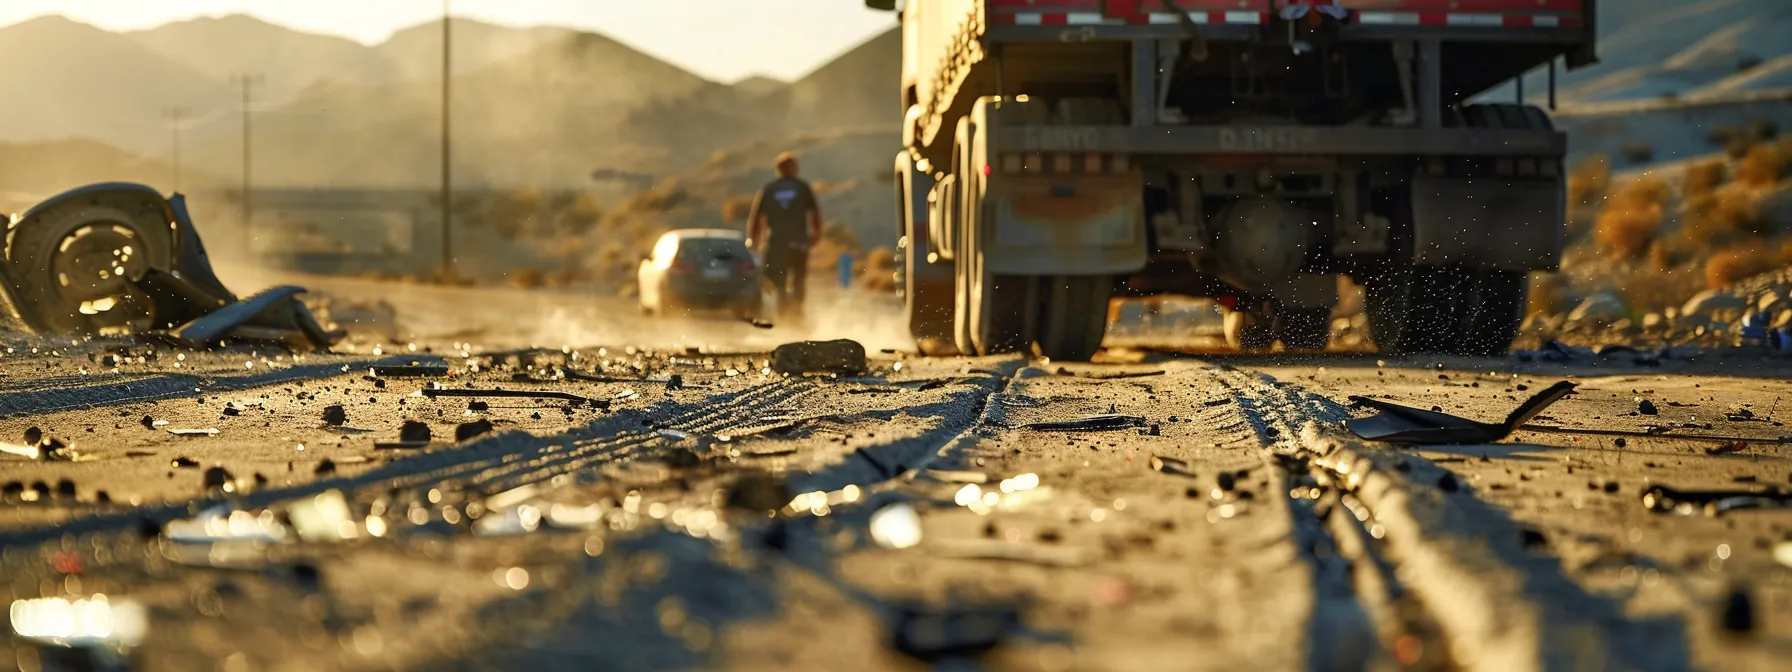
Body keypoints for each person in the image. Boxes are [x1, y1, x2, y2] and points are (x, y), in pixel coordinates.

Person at [746, 152, 822, 321]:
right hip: (798, 242)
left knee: (777, 278)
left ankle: (785, 309)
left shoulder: (769, 188)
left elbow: (756, 217)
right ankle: (795, 311)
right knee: (798, 279)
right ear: (794, 168)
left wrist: (753, 239)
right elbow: (815, 212)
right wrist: (816, 234)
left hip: (777, 244)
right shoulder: (802, 187)